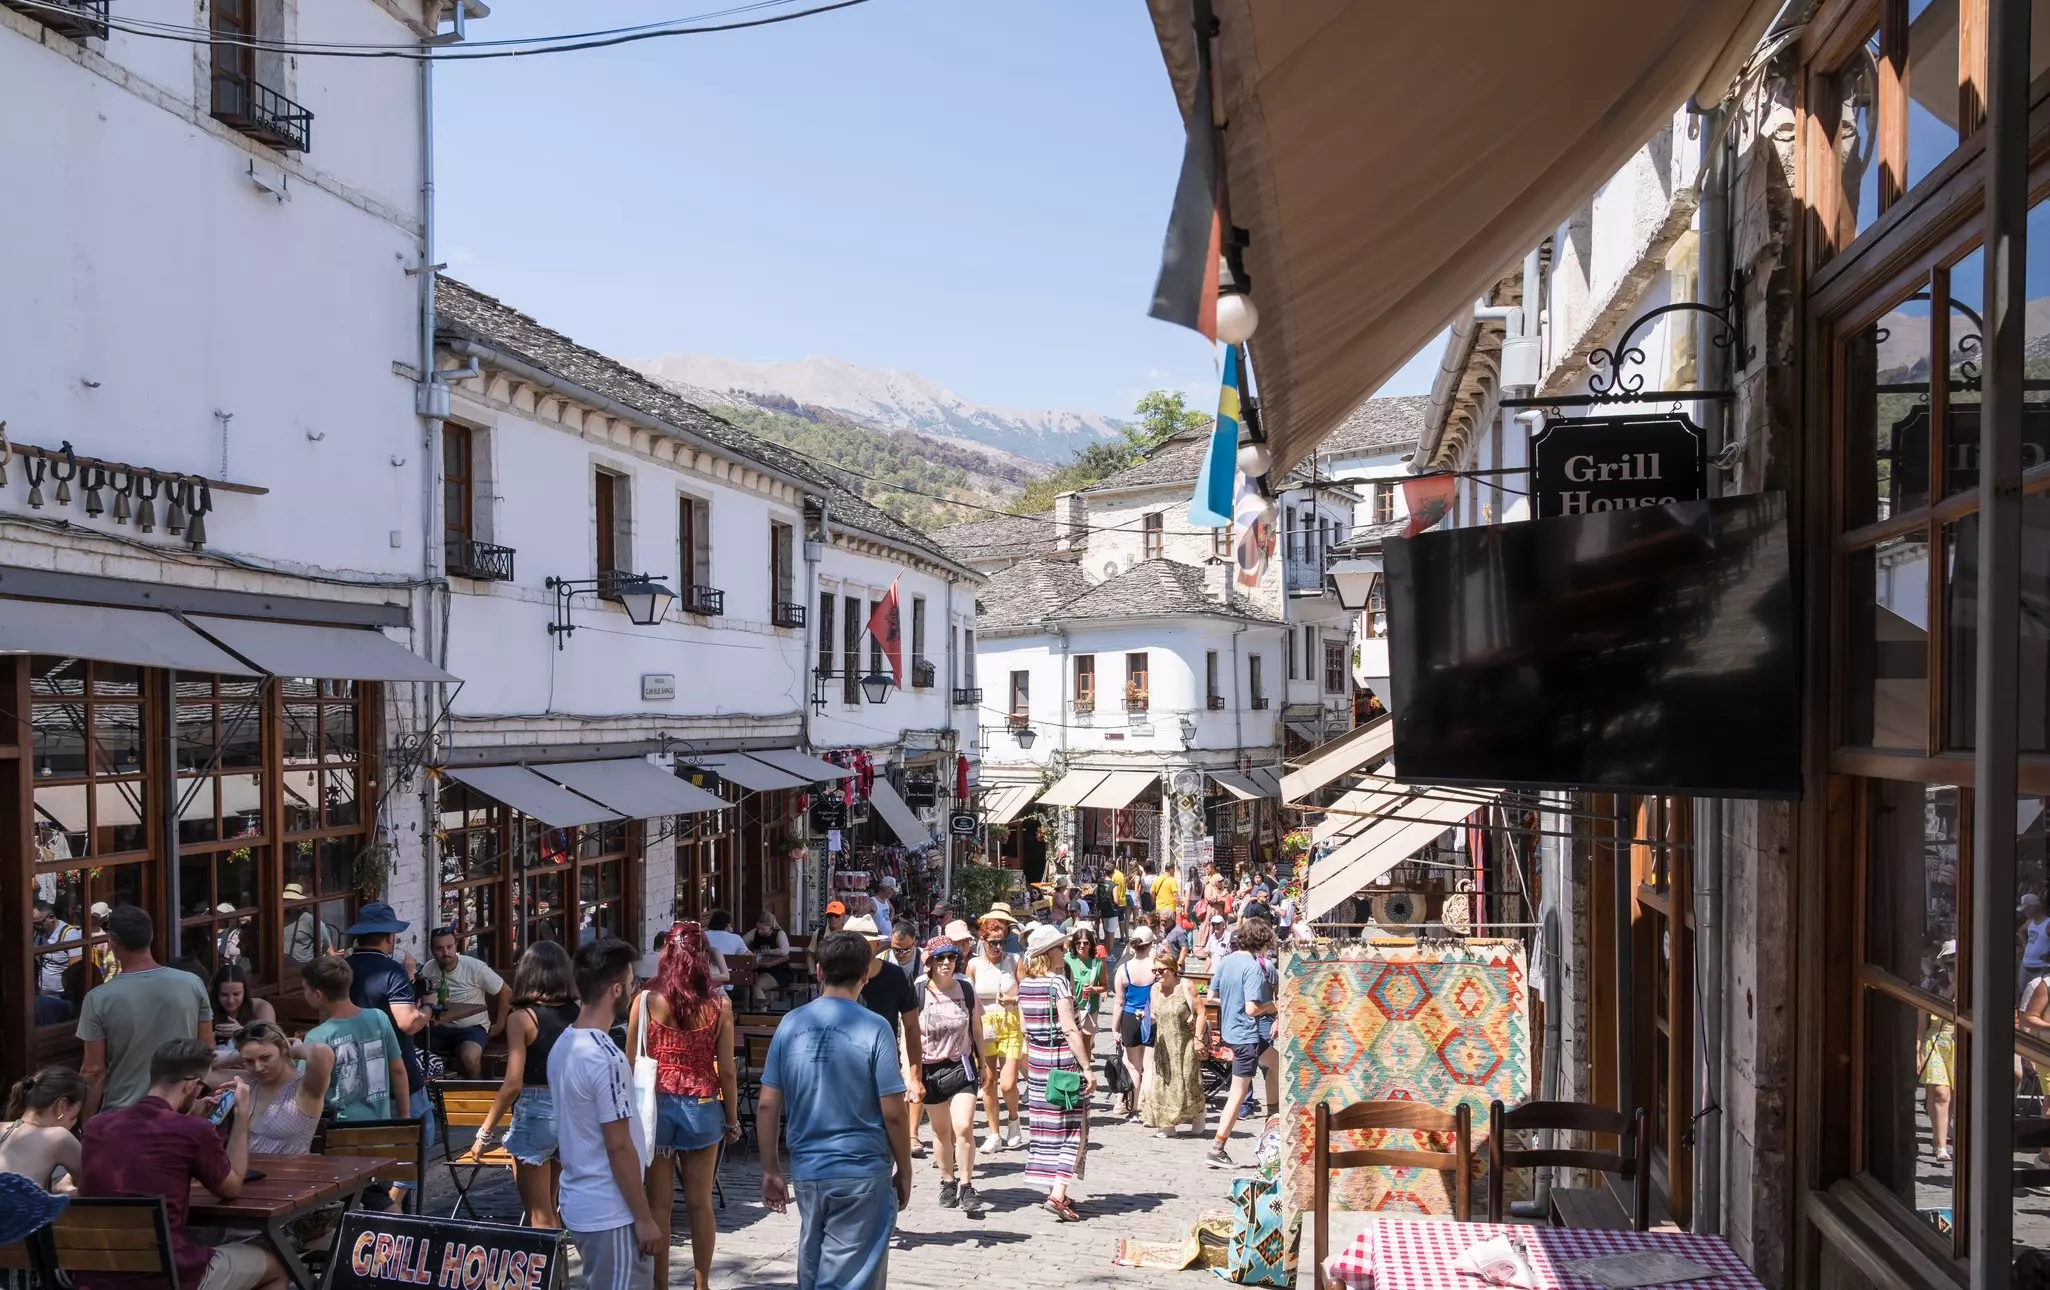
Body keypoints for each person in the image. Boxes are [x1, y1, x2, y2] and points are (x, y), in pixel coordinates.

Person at [757, 931, 910, 1290]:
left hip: (809, 1171)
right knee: (847, 1279)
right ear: (865, 976)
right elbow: (893, 1111)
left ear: (820, 971)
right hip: (861, 1170)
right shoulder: (875, 1027)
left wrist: (770, 1170)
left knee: (813, 1271)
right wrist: (905, 1167)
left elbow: (767, 1104)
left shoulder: (790, 1024)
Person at [79, 1038, 283, 1290]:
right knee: (276, 1265)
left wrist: (189, 1119)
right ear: (190, 1086)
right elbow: (231, 1187)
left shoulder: (98, 1125)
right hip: (165, 1277)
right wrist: (242, 1115)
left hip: (95, 1275)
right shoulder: (192, 1130)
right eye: (203, 1087)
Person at [626, 923, 740, 1290]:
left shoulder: (644, 999)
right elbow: (728, 1070)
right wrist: (733, 1118)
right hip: (702, 1103)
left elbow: (630, 1060)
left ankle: (659, 1284)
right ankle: (701, 1282)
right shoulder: (719, 1005)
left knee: (657, 1203)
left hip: (654, 1107)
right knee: (700, 1203)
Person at [551, 938, 661, 1290]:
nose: (634, 989)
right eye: (630, 983)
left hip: (582, 1199)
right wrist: (643, 1217)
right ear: (616, 989)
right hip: (609, 1209)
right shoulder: (606, 1058)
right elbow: (618, 1145)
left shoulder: (564, 1043)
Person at [467, 940, 579, 1228]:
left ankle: (547, 1271)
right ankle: (559, 1273)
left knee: (538, 1213)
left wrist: (485, 1133)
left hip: (536, 1110)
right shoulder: (579, 1015)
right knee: (552, 1209)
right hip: (572, 1111)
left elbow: (513, 1083)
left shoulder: (522, 1019)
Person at [78, 905, 213, 1119]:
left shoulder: (97, 999)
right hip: (178, 1111)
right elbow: (207, 1049)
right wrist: (190, 1100)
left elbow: (94, 1071)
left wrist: (87, 1123)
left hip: (123, 1114)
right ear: (150, 937)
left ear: (112, 942)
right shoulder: (193, 983)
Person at [343, 903, 433, 1204]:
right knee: (416, 1144)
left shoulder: (342, 970)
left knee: (369, 1150)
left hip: (352, 1074)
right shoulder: (391, 971)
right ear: (389, 938)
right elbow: (407, 1022)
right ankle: (389, 1211)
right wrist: (427, 1011)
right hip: (395, 1074)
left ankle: (377, 1206)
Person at [1017, 924, 1094, 1221]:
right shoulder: (1057, 984)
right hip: (1061, 1063)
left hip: (1037, 1065)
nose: (1064, 951)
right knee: (1072, 1130)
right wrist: (1087, 1067)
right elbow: (1069, 1029)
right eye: (1060, 947)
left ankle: (1055, 1186)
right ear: (1047, 953)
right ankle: (1058, 1193)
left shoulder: (1024, 985)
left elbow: (1025, 1028)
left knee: (1046, 1131)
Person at [917, 937, 985, 1215]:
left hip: (962, 1066)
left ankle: (967, 1185)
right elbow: (907, 1035)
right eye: (940, 958)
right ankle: (947, 1181)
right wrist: (909, 1072)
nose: (946, 963)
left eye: (952, 958)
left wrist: (985, 1064)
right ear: (930, 962)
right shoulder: (918, 992)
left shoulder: (966, 990)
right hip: (929, 1069)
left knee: (963, 1126)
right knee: (940, 1130)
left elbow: (978, 1028)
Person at [1207, 918, 1280, 1169]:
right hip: (1246, 1035)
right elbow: (1252, 1009)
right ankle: (1217, 1147)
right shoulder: (1251, 966)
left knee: (1275, 1062)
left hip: (1232, 1031)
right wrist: (1273, 1006)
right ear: (1261, 941)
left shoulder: (1226, 961)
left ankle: (1273, 1117)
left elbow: (1212, 996)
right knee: (1237, 1094)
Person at [302, 956, 406, 1124]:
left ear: (318, 995)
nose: (304, 993)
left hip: (338, 1133)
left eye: (305, 989)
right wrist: (404, 1117)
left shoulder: (317, 1037)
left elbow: (306, 1088)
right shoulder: (379, 1018)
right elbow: (398, 1071)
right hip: (382, 1130)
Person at [967, 906, 1026, 1153]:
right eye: (992, 943)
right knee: (988, 1080)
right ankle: (994, 1133)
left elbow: (1027, 991)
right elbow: (967, 998)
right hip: (985, 1027)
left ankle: (1014, 1119)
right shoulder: (974, 965)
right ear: (983, 940)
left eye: (1000, 942)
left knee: (1007, 1082)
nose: (997, 947)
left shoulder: (1014, 961)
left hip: (1010, 1024)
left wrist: (1015, 1000)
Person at [231, 1021, 333, 1156]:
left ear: (282, 1049)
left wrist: (292, 1051)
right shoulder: (251, 1082)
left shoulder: (304, 1088)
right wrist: (237, 1057)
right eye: (249, 1061)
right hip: (247, 1173)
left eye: (265, 1058)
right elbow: (204, 1067)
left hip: (288, 1174)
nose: (258, 1068)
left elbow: (321, 1052)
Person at [421, 927, 510, 1080]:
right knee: (406, 1047)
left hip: (471, 1028)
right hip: (438, 1028)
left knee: (469, 1057)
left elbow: (506, 991)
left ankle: (474, 1093)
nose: (445, 953)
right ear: (432, 950)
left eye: (449, 947)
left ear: (457, 945)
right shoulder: (428, 968)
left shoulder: (474, 967)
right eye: (439, 949)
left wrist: (500, 1025)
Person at [1141, 950, 1208, 1137]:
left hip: (1185, 1043)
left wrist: (1198, 1040)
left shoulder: (1186, 986)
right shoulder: (1155, 989)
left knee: (1188, 1082)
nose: (1158, 974)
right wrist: (1144, 1017)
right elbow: (1155, 1015)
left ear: (1173, 970)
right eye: (1155, 971)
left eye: (1161, 971)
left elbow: (1201, 1012)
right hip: (1164, 1045)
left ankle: (1199, 1115)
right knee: (1163, 1084)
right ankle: (1167, 1126)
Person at [0, 1067, 86, 1191]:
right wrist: (65, 1189)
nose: (74, 1122)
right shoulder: (59, 1137)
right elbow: (95, 1186)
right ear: (62, 1106)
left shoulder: (2, 1126)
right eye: (74, 1116)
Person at [1111, 925, 1158, 1118]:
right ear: (1149, 945)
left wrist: (1115, 1028)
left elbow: (1119, 1002)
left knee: (1133, 1066)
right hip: (1151, 1017)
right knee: (1149, 1066)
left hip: (1129, 1018)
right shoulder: (1155, 968)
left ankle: (1132, 1105)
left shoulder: (1123, 969)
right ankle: (1144, 1105)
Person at [1920, 942, 1960, 1163]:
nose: (1954, 967)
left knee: (1954, 1097)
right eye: (1950, 963)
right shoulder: (1934, 986)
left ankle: (1940, 1136)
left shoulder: (1974, 986)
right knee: (1941, 1094)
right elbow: (1921, 1018)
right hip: (1935, 1040)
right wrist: (1917, 1049)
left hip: (1960, 1043)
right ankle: (1942, 1146)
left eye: (1957, 962)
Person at [32, 898, 80, 1023]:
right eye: (32, 924)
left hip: (62, 1000)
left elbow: (77, 970)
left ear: (51, 917)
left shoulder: (69, 935)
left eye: (38, 923)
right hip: (42, 998)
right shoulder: (39, 934)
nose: (35, 927)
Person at [1064, 927, 1107, 1062]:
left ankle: (1086, 1071)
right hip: (1070, 1008)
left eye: (1085, 943)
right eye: (1078, 943)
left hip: (1089, 1008)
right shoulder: (1067, 959)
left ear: (1091, 944)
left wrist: (1094, 989)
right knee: (1070, 1041)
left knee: (1086, 1041)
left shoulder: (1097, 964)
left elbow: (1105, 986)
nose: (1081, 946)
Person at [210, 963, 275, 1045]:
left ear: (245, 992)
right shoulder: (208, 1010)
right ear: (216, 994)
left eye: (236, 994)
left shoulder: (260, 1007)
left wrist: (243, 1032)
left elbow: (272, 1040)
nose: (231, 1000)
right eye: (224, 995)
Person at [747, 911, 794, 1008]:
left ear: (770, 926)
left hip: (779, 972)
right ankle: (751, 1012)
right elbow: (741, 943)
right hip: (760, 969)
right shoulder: (754, 933)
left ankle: (762, 1018)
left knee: (756, 984)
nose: (759, 931)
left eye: (762, 929)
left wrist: (765, 952)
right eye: (758, 928)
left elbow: (784, 951)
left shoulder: (779, 934)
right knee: (748, 982)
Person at [2024, 895, 2050, 998]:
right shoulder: (2030, 921)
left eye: (2026, 909)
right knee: (2023, 992)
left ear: (2034, 907)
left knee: (2036, 995)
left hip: (2040, 967)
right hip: (2026, 964)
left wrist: (2048, 955)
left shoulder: (2048, 923)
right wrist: (2025, 945)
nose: (2024, 912)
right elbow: (2021, 932)